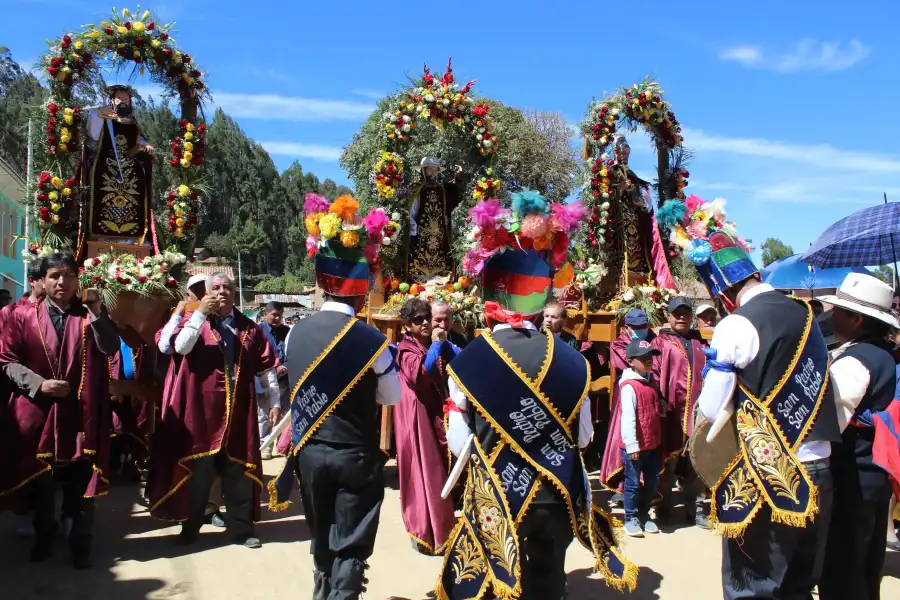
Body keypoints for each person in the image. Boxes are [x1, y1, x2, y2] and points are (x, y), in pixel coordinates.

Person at [438, 190, 636, 599]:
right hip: (555, 495)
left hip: (499, 497)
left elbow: (460, 444)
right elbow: (582, 439)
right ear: (539, 299)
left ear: (490, 300)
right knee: (548, 584)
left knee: (498, 584)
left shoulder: (468, 361)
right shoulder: (573, 361)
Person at [694, 229, 839, 599]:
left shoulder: (736, 323)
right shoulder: (806, 313)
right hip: (820, 466)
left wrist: (714, 374)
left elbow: (712, 409)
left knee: (753, 585)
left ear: (723, 293)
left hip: (770, 473)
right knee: (799, 586)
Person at [269, 195, 400, 600]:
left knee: (320, 528)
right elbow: (391, 396)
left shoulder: (295, 332)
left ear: (322, 285)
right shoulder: (373, 340)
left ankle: (322, 589)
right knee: (353, 537)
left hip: (309, 452)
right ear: (362, 294)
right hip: (354, 453)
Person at [0, 252, 120, 569]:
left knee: (82, 477)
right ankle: (44, 533)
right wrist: (39, 384)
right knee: (42, 480)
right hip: (40, 410)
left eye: (68, 276)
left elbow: (110, 346)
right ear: (43, 280)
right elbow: (7, 361)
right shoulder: (21, 315)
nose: (62, 282)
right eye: (55, 275)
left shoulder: (90, 313)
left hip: (83, 413)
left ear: (78, 280)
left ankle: (81, 541)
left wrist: (96, 311)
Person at [147, 273, 280, 549]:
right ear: (206, 293)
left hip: (238, 413)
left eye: (227, 288)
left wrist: (276, 401)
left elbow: (266, 368)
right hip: (201, 413)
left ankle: (243, 529)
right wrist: (199, 315)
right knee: (199, 475)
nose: (221, 293)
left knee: (238, 473)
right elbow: (180, 348)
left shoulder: (250, 328)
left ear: (235, 294)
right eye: (215, 288)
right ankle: (192, 527)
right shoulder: (192, 322)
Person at [818, 273, 900, 600]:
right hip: (874, 476)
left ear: (856, 319)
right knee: (866, 564)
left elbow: (829, 422)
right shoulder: (884, 355)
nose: (831, 315)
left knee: (842, 568)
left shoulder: (855, 362)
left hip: (851, 477)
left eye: (838, 310)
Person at [394, 297, 459, 555]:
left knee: (439, 469)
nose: (424, 323)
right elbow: (421, 376)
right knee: (423, 471)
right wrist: (436, 344)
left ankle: (441, 527)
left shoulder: (432, 343)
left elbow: (460, 358)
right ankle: (423, 530)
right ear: (407, 325)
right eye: (417, 320)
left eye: (426, 318)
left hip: (434, 412)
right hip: (415, 416)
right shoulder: (406, 348)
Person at [652, 296, 709, 528]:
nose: (682, 317)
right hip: (672, 412)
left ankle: (695, 508)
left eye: (686, 313)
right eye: (677, 313)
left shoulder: (700, 342)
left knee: (696, 460)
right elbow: (653, 373)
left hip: (697, 410)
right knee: (668, 460)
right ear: (669, 316)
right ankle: (662, 507)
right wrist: (659, 400)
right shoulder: (661, 342)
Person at [81, 85, 154, 242]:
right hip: (106, 167)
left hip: (128, 169)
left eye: (126, 99)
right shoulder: (103, 117)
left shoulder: (133, 123)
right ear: (112, 101)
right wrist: (99, 114)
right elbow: (92, 136)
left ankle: (131, 238)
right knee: (103, 199)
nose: (123, 101)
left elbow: (138, 139)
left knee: (133, 198)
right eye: (119, 98)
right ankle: (101, 238)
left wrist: (145, 144)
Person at [600, 308, 655, 494]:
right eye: (636, 327)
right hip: (628, 392)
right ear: (627, 327)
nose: (641, 330)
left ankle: (649, 487)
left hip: (650, 393)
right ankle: (624, 485)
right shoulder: (619, 343)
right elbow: (627, 364)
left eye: (643, 326)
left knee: (648, 436)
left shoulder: (653, 340)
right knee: (625, 435)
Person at [619, 339, 663, 537]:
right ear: (631, 361)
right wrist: (632, 445)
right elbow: (628, 417)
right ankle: (630, 517)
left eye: (650, 357)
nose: (648, 361)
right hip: (636, 446)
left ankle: (645, 514)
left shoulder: (651, 381)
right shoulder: (629, 386)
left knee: (652, 481)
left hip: (652, 442)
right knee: (633, 483)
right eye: (643, 358)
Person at [408, 156, 460, 282]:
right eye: (430, 170)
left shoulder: (443, 190)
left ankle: (439, 280)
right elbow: (412, 209)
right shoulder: (416, 188)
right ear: (423, 171)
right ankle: (420, 280)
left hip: (439, 234)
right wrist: (411, 223)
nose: (433, 173)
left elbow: (448, 209)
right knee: (419, 257)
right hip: (421, 235)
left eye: (435, 170)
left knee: (441, 257)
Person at [256, 301, 289, 459]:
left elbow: (292, 351)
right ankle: (266, 445)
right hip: (264, 376)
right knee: (265, 413)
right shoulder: (257, 331)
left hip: (284, 377)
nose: (277, 318)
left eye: (280, 316)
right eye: (274, 315)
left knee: (282, 412)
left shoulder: (287, 331)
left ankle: (281, 445)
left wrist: (285, 366)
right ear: (265, 314)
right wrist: (273, 368)